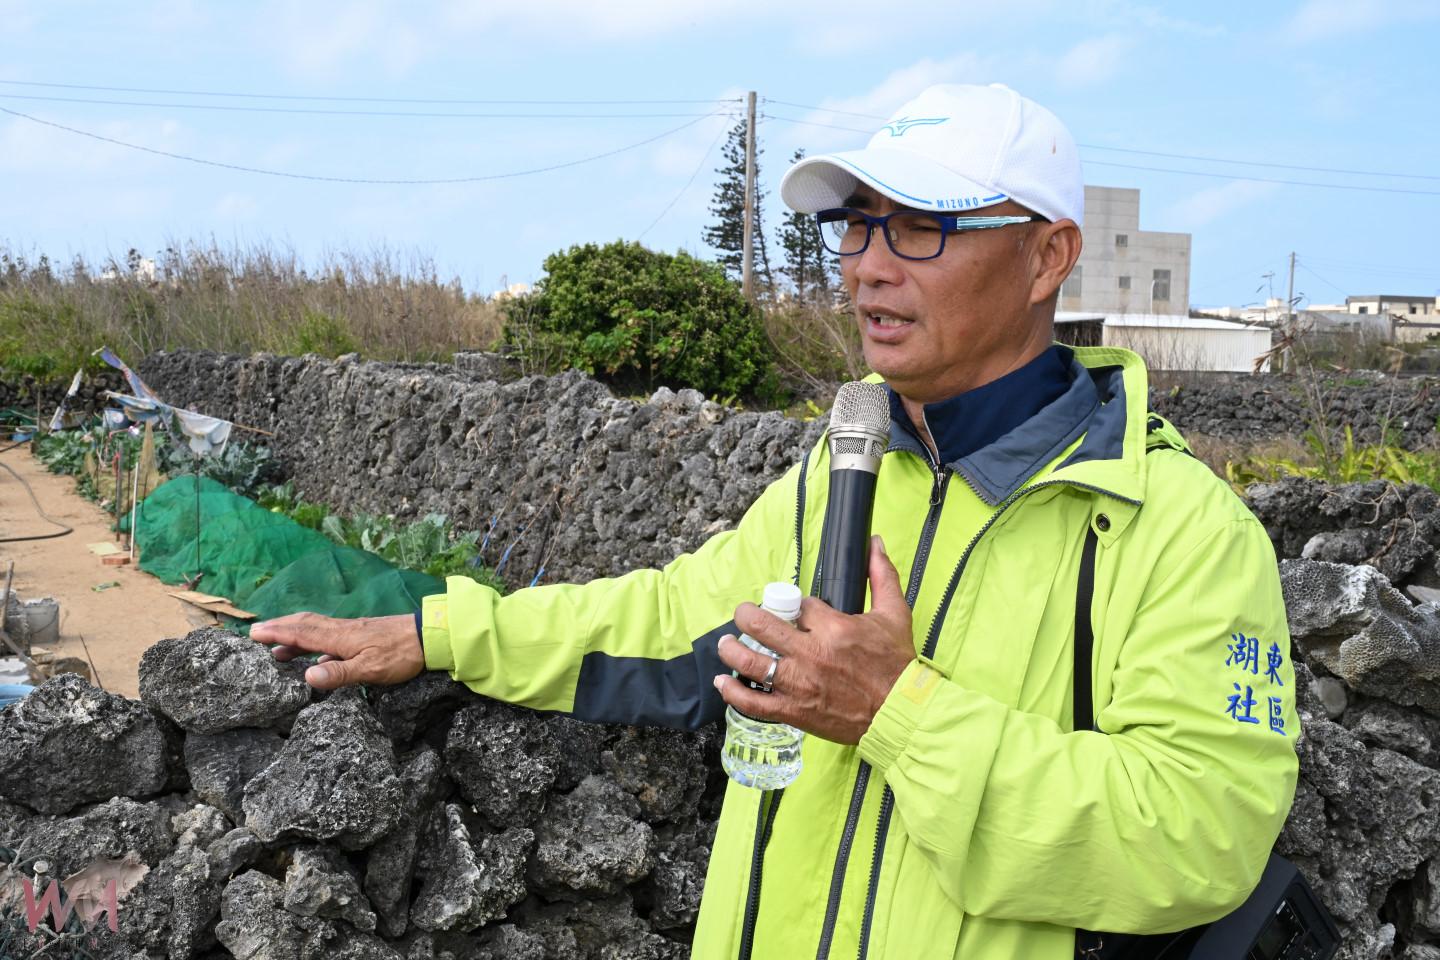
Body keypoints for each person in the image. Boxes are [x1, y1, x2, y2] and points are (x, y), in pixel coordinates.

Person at [252, 83, 1299, 960]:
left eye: (922, 226)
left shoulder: (1176, 529)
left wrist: (898, 712)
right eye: (857, 224)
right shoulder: (846, 465)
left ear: (1046, 257)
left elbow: (1200, 836)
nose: (868, 265)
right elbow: (675, 622)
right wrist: (441, 630)